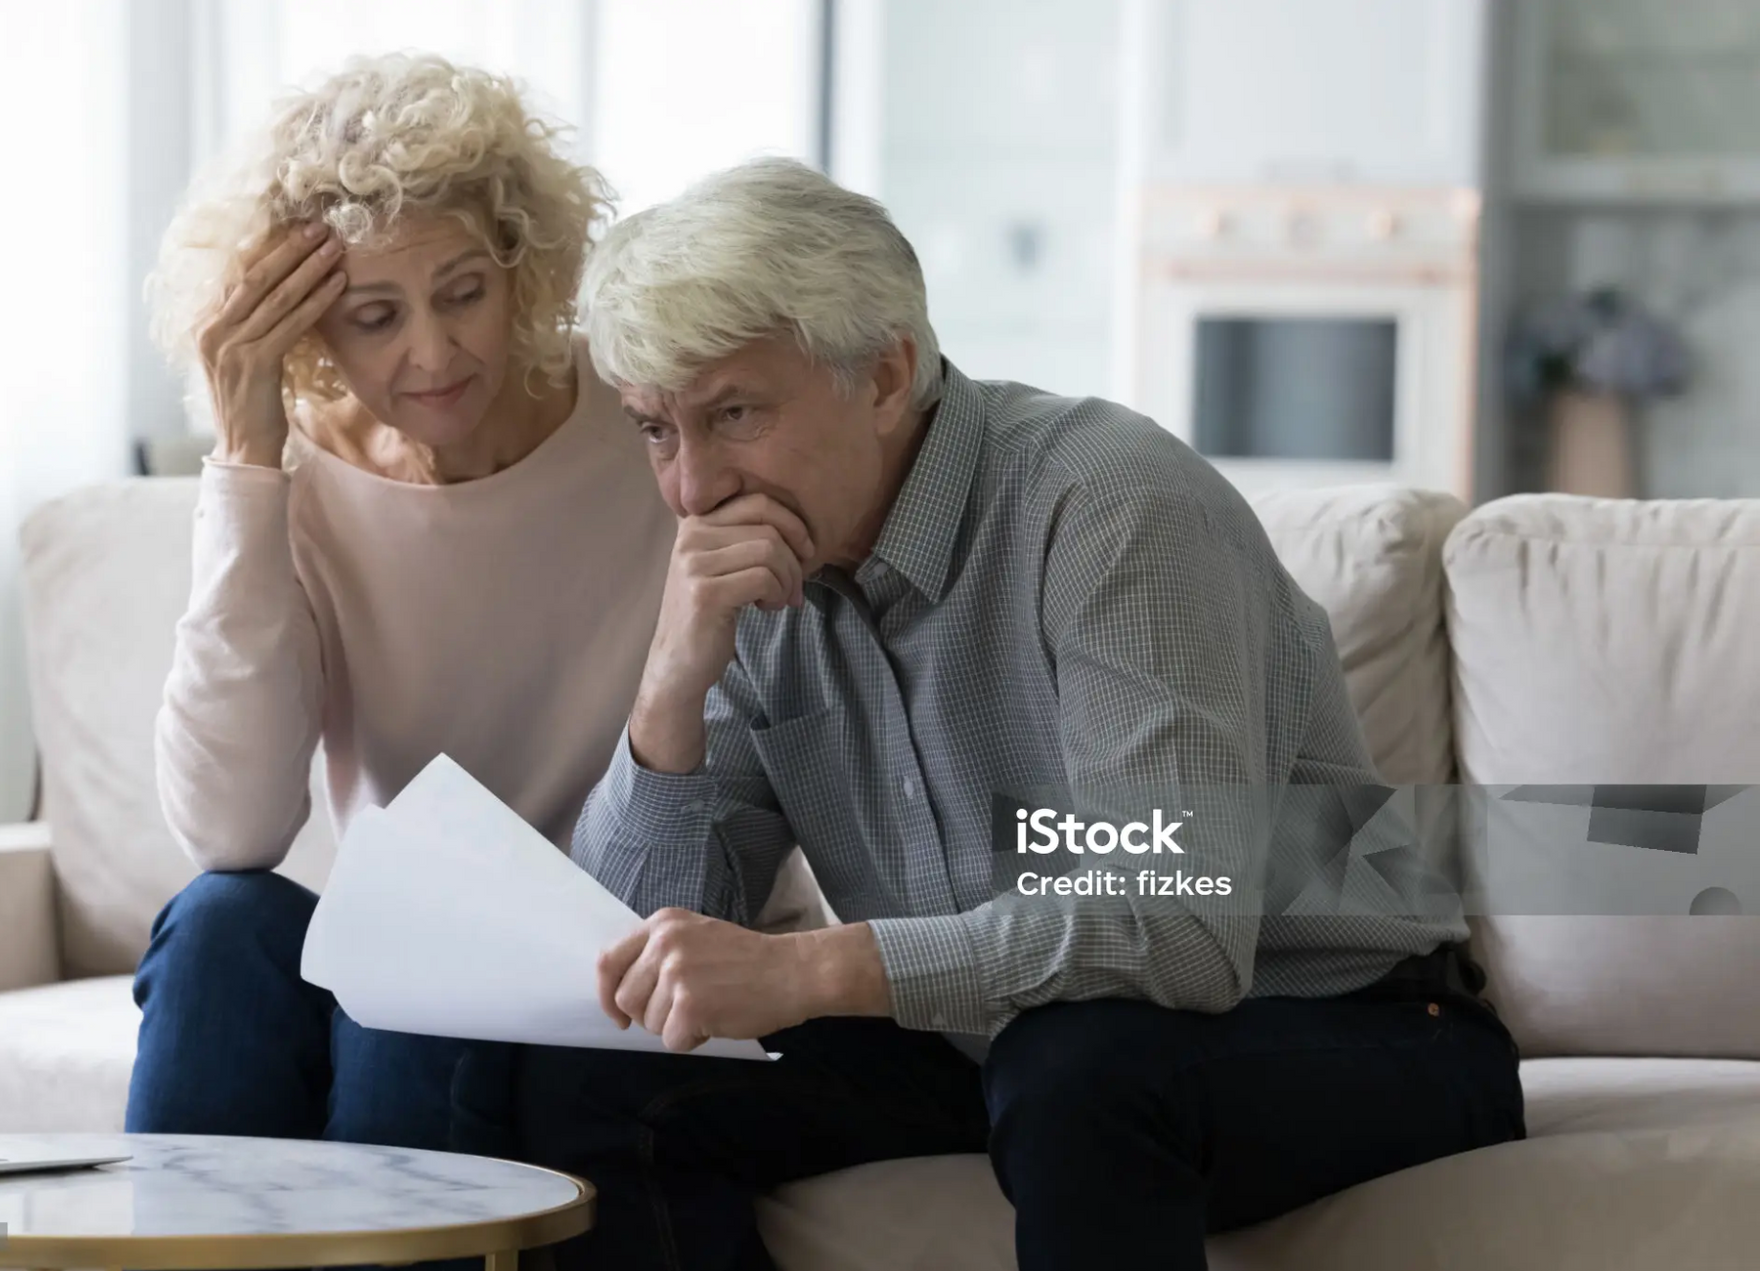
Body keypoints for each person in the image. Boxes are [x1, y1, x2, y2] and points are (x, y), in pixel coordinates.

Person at [458, 158, 1527, 1271]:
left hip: (1353, 1024)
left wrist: (818, 968)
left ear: (883, 376)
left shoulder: (1109, 506)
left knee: (1080, 1065)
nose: (691, 488)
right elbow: (636, 964)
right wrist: (672, 684)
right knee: (573, 1073)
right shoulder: (754, 577)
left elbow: (1177, 925)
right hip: (994, 1035)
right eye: (655, 430)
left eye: (734, 413)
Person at [123, 52, 683, 1155]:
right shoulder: (299, 481)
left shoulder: (649, 434)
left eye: (464, 292)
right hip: (411, 942)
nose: (433, 352)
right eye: (374, 315)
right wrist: (246, 464)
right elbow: (232, 831)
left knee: (415, 982)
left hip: (609, 942)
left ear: (526, 269)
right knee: (217, 928)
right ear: (307, 333)